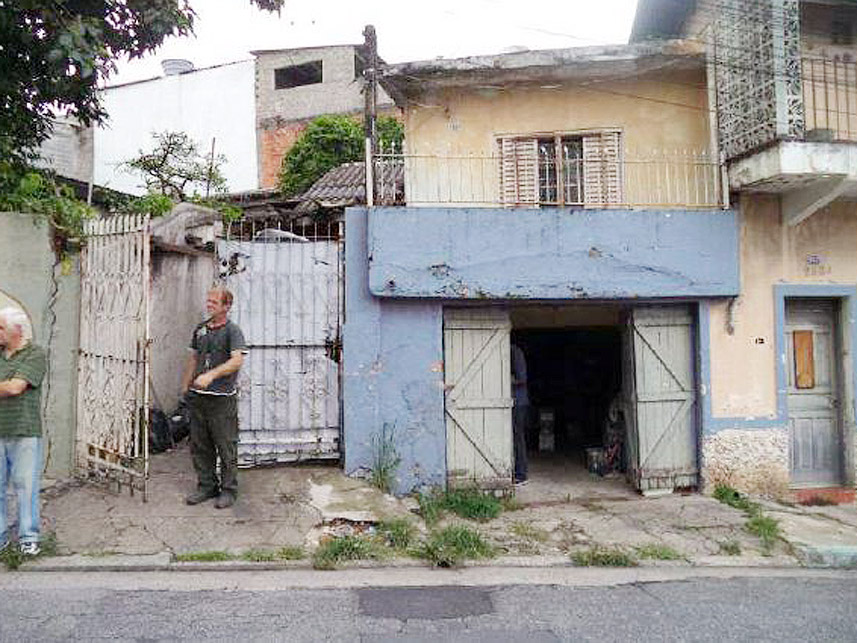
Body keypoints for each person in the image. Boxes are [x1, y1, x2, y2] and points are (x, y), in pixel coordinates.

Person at [181, 287, 247, 509]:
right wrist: (185, 387)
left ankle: (229, 490)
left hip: (221, 399)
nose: (209, 304)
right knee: (200, 446)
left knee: (225, 445)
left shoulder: (232, 331)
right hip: (198, 398)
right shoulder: (200, 330)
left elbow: (237, 361)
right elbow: (193, 358)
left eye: (214, 302)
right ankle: (207, 486)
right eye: (208, 300)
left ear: (226, 306)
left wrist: (211, 375)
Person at [0, 307, 47, 555]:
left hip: (24, 430)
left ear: (16, 330)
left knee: (25, 486)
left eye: (0, 327)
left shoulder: (35, 354)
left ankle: (29, 537)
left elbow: (16, 387)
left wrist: (7, 386)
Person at [511, 341, 529, 485]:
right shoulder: (512, 351)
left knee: (518, 437)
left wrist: (503, 380)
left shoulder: (515, 352)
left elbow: (522, 379)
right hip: (515, 401)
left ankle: (521, 474)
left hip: (518, 402)